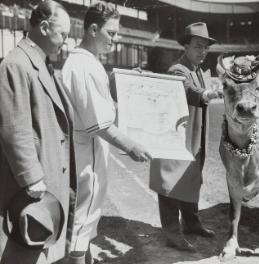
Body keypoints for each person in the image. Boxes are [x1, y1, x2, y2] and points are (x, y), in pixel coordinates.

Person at [61, 2, 151, 263]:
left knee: (85, 228)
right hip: (85, 158)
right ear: (92, 29)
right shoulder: (85, 65)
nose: (115, 38)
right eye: (110, 33)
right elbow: (100, 124)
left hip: (84, 153)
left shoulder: (83, 62)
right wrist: (131, 146)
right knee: (80, 227)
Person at [0, 1, 76, 263]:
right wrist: (31, 177)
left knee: (40, 252)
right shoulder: (16, 64)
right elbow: (13, 128)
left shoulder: (41, 63)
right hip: (30, 188)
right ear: (44, 27)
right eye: (63, 34)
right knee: (23, 254)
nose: (65, 41)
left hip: (46, 179)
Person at [149, 22, 219, 252]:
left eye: (206, 47)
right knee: (171, 183)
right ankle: (171, 232)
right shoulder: (178, 69)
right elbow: (188, 89)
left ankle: (191, 222)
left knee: (191, 179)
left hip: (194, 138)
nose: (203, 51)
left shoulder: (199, 70)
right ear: (186, 46)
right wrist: (206, 93)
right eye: (198, 46)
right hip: (177, 139)